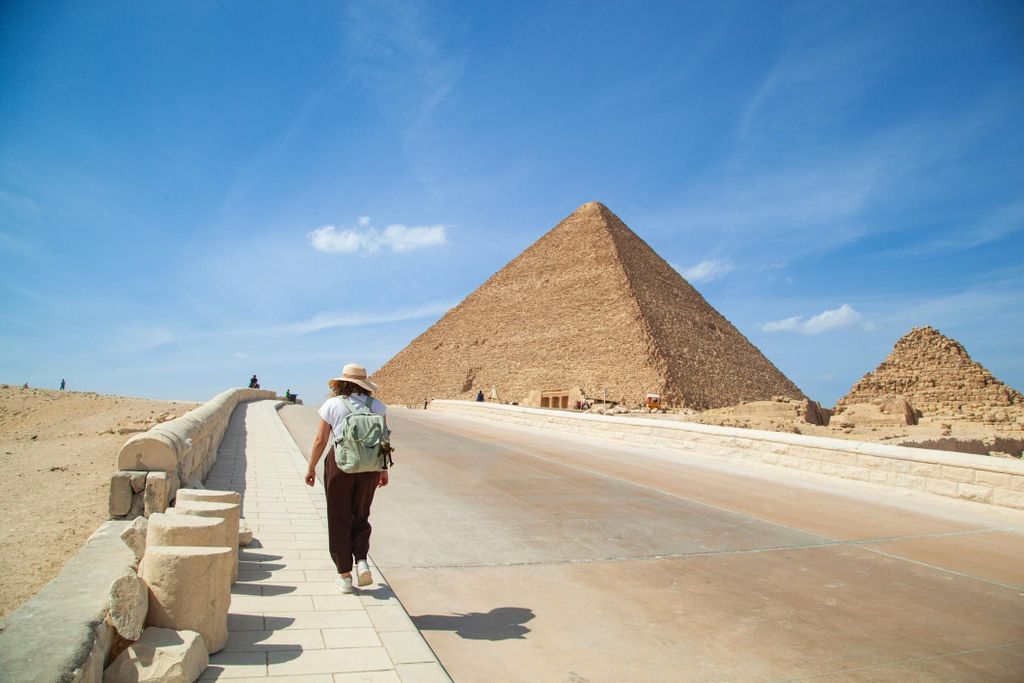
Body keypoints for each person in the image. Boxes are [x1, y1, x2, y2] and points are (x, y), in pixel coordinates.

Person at [304, 363, 389, 594]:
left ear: (342, 383)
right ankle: (361, 560)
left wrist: (310, 468)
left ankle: (344, 576)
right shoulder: (378, 406)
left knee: (338, 517)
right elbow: (383, 440)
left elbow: (320, 440)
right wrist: (383, 470)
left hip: (341, 466)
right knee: (361, 514)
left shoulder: (332, 405)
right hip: (370, 467)